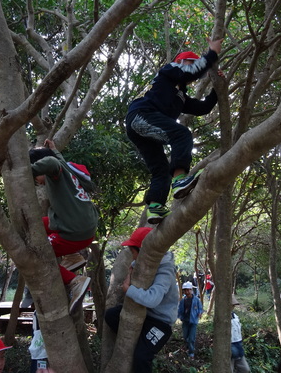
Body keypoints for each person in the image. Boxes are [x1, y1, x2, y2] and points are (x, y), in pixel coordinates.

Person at [125, 37, 223, 224]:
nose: (194, 72)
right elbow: (189, 72)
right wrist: (211, 53)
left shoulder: (180, 95)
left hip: (141, 128)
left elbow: (203, 108)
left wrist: (217, 89)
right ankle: (179, 181)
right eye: (191, 64)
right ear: (180, 62)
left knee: (160, 169)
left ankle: (155, 207)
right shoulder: (169, 70)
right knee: (182, 134)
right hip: (141, 115)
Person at [30, 139, 97, 313]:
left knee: (36, 257)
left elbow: (51, 162)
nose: (37, 182)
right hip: (81, 223)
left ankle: (75, 281)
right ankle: (73, 256)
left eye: (36, 177)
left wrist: (28, 171)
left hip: (74, 230)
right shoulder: (67, 168)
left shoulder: (54, 172)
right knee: (34, 225)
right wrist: (55, 150)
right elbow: (55, 159)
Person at [105, 227, 179, 373]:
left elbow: (153, 299)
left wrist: (128, 290)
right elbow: (133, 265)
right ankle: (138, 341)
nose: (133, 258)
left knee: (141, 357)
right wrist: (130, 272)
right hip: (144, 315)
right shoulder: (144, 262)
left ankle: (141, 344)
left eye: (133, 252)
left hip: (160, 322)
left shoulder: (165, 271)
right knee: (111, 315)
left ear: (143, 252)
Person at [178, 281, 203, 358]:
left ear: (191, 290)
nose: (187, 291)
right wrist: (180, 316)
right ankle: (188, 346)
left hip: (193, 321)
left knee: (192, 338)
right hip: (185, 321)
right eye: (185, 290)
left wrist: (199, 313)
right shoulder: (183, 300)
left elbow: (200, 308)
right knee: (186, 337)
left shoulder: (196, 300)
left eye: (188, 290)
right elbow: (180, 310)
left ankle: (191, 352)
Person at [231, 295, 250, 373]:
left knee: (245, 369)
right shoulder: (222, 317)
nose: (233, 306)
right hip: (229, 344)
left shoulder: (235, 316)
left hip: (238, 344)